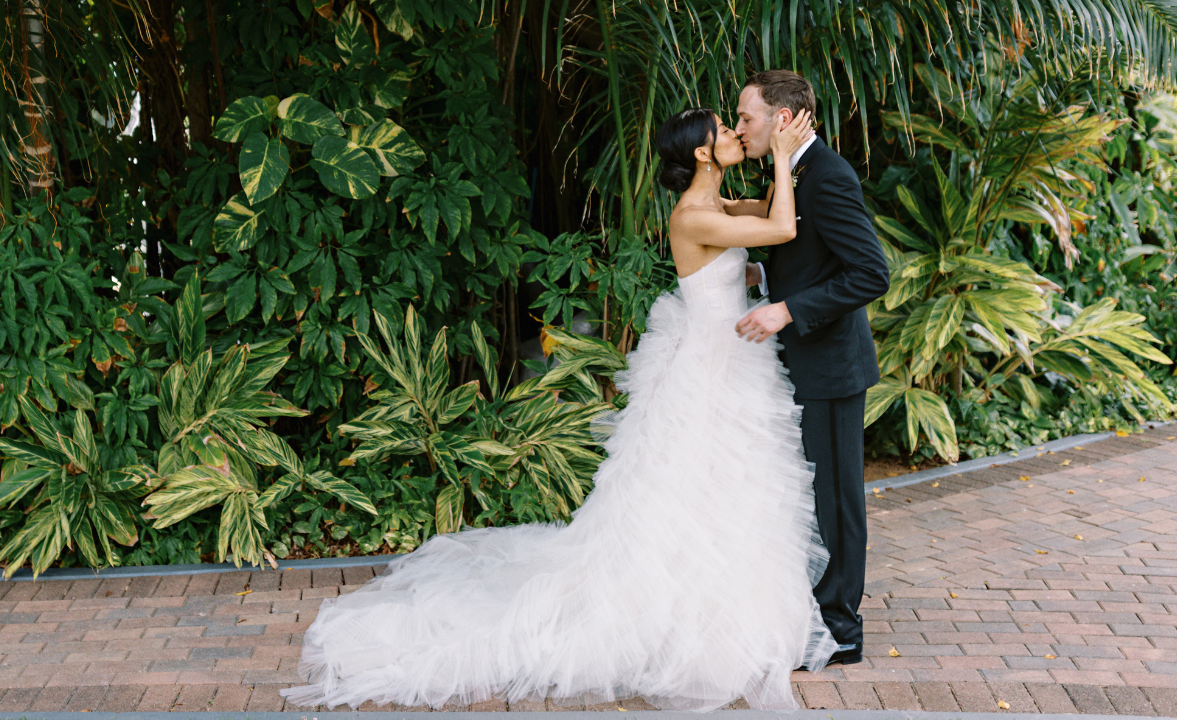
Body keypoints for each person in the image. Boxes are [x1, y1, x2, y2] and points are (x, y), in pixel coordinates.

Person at [281, 107, 834, 713]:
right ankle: (673, 616)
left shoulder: (721, 208)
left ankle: (719, 606)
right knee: (685, 491)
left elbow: (787, 213)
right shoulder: (694, 216)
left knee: (724, 490)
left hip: (726, 362)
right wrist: (781, 152)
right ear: (703, 154)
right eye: (724, 132)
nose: (734, 135)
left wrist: (798, 162)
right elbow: (782, 225)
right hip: (709, 370)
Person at [732, 70, 891, 667]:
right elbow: (810, 254)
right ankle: (817, 611)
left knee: (835, 499)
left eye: (747, 116)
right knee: (811, 495)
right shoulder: (793, 171)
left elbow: (870, 273)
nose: (740, 126)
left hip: (830, 366)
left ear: (782, 117)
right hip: (804, 362)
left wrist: (787, 310)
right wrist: (763, 278)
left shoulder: (826, 176)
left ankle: (841, 629)